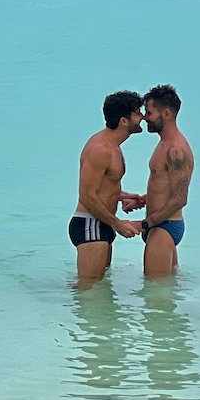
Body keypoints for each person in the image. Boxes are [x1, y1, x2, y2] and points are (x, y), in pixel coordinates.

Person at [70, 90, 146, 282]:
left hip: (101, 223)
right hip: (90, 224)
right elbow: (87, 195)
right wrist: (118, 224)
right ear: (123, 120)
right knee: (88, 293)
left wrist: (123, 196)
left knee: (99, 292)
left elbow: (102, 187)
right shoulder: (100, 149)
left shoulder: (113, 147)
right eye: (137, 112)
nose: (143, 116)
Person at [135, 84, 194, 277]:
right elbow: (166, 186)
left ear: (166, 113)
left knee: (155, 296)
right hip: (160, 225)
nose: (144, 117)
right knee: (164, 295)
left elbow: (180, 199)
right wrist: (144, 199)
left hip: (164, 226)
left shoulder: (176, 150)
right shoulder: (163, 143)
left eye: (149, 113)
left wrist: (146, 223)